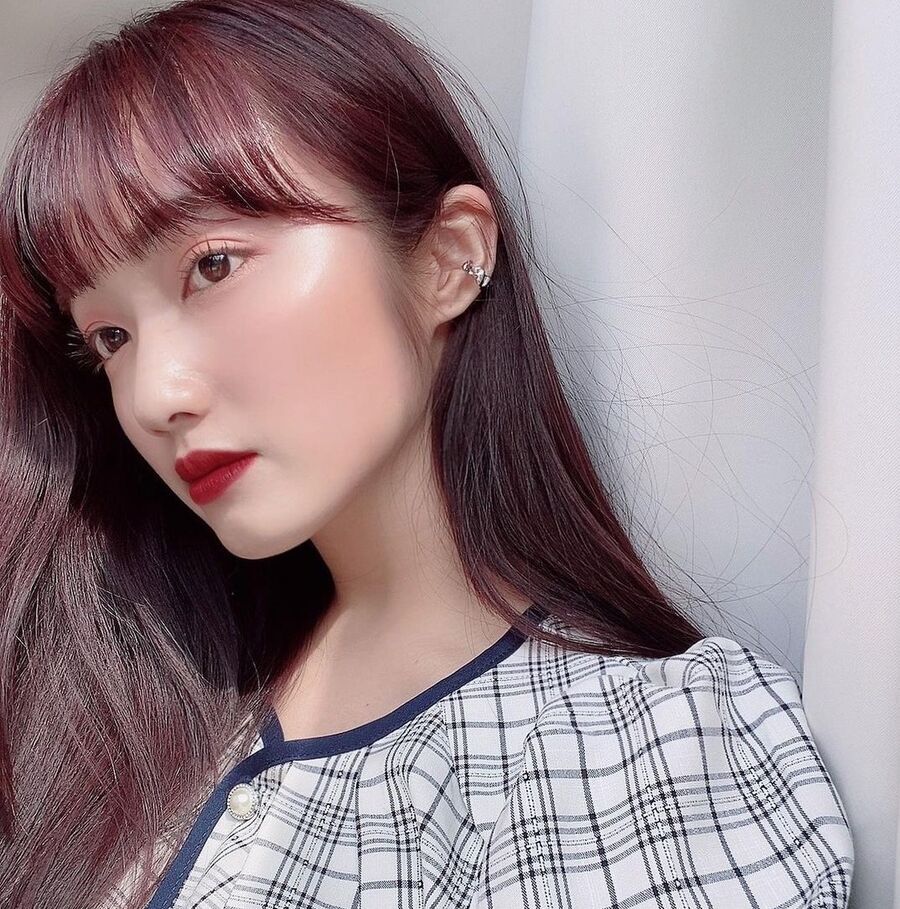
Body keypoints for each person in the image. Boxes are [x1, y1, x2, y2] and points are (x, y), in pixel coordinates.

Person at [0, 0, 854, 906]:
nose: (154, 396)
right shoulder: (128, 717)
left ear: (448, 257)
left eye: (213, 265)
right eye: (110, 338)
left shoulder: (637, 753)